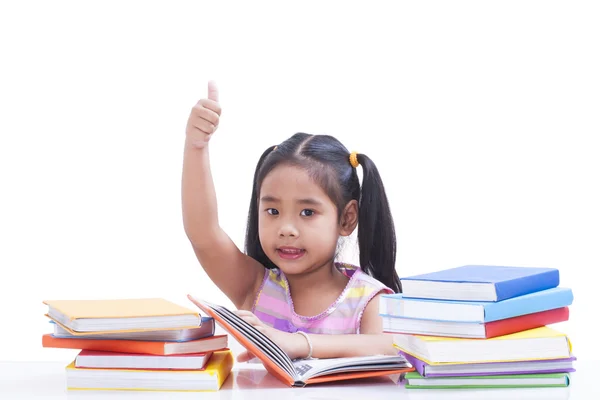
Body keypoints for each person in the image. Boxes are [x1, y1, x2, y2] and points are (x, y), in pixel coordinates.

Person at [183, 81, 401, 362]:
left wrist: (297, 343)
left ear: (346, 218)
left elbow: (390, 348)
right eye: (272, 211)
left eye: (307, 213)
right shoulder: (255, 286)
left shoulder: (368, 300)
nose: (286, 229)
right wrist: (196, 146)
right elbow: (203, 234)